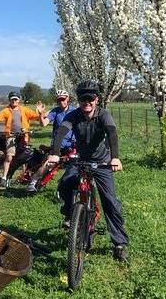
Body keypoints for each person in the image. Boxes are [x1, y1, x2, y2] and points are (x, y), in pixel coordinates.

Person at [46, 81, 129, 262]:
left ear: (96, 99)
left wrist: (115, 157)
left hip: (102, 163)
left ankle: (120, 243)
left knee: (110, 202)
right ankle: (71, 215)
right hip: (81, 160)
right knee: (65, 185)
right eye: (83, 99)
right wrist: (54, 153)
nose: (87, 102)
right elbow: (61, 131)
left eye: (90, 99)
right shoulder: (74, 115)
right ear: (79, 100)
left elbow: (112, 133)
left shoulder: (103, 115)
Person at [0, 91, 41, 187]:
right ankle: (4, 178)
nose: (14, 101)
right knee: (9, 156)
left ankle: (24, 176)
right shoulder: (6, 111)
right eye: (12, 99)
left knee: (26, 156)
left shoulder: (24, 110)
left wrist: (41, 112)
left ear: (19, 100)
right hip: (11, 136)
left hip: (23, 136)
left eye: (16, 99)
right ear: (9, 100)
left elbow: (36, 117)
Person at [28, 90, 75, 193]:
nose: (61, 102)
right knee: (49, 164)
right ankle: (33, 182)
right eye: (59, 100)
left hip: (72, 144)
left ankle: (67, 187)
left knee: (76, 165)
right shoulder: (55, 111)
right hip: (58, 144)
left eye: (63, 99)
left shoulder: (74, 111)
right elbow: (43, 124)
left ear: (68, 99)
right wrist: (41, 114)